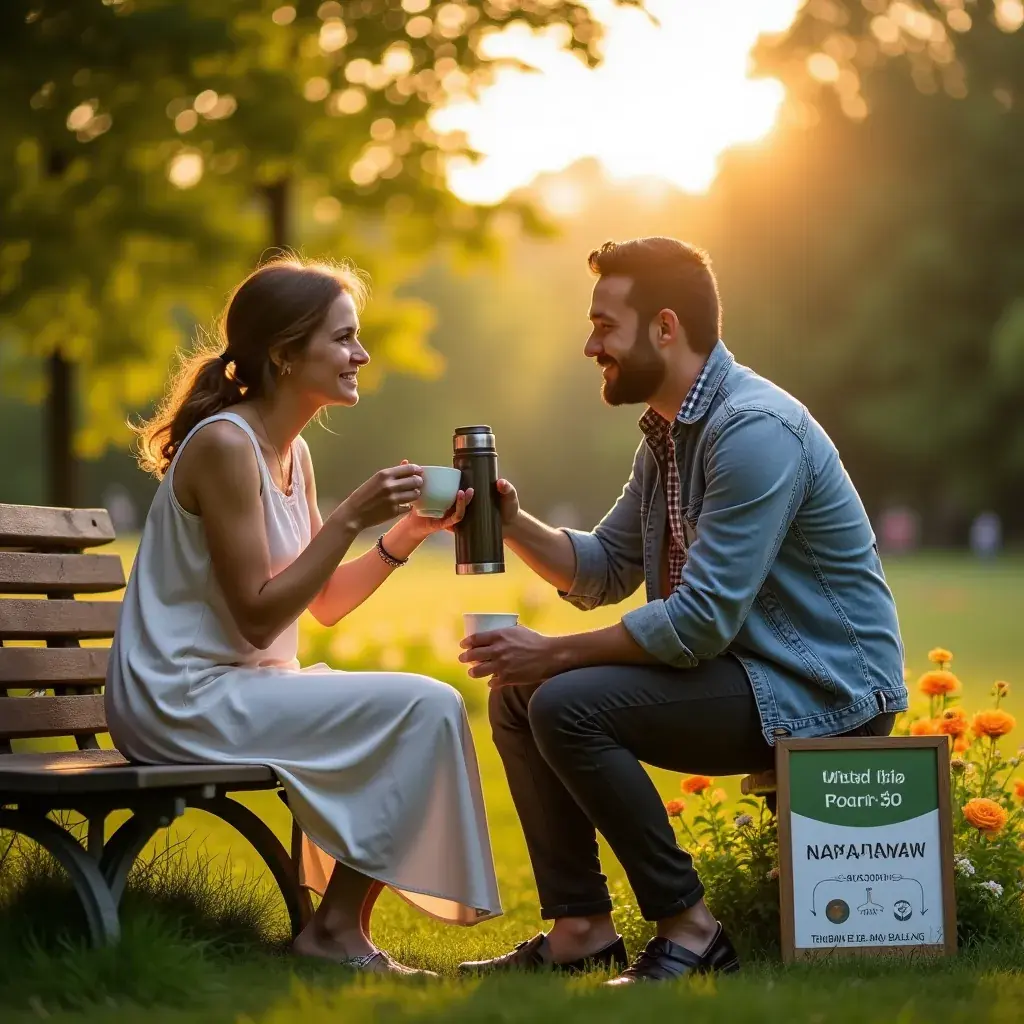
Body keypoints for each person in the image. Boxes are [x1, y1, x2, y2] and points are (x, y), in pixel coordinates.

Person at [458, 237, 906, 985]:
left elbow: (698, 622)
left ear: (665, 328)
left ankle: (692, 931)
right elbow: (605, 567)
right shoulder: (669, 438)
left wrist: (556, 652)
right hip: (744, 672)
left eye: (605, 324)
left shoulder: (755, 431)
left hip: (822, 689)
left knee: (564, 700)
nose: (589, 344)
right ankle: (581, 931)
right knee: (519, 693)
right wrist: (510, 523)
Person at [105, 256, 501, 976]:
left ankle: (337, 932)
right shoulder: (227, 445)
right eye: (344, 338)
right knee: (428, 707)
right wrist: (348, 518)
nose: (362, 354)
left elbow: (322, 604)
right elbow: (258, 619)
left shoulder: (292, 452)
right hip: (181, 697)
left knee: (424, 709)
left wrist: (405, 535)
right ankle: (333, 935)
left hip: (244, 684)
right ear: (285, 355)